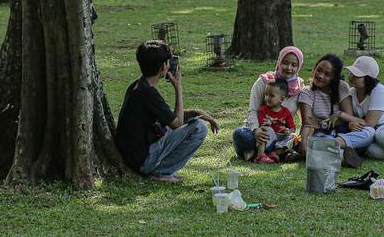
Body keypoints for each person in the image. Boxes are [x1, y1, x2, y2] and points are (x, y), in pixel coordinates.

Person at [115, 40, 218, 183]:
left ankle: (160, 169)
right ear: (164, 66)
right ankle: (161, 172)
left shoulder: (138, 85)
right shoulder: (148, 93)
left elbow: (168, 115)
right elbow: (177, 123)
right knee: (199, 128)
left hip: (135, 155)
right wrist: (178, 88)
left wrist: (197, 112)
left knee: (197, 121)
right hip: (143, 161)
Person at [295, 53, 374, 164]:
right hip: (320, 135)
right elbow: (308, 123)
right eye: (319, 70)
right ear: (314, 68)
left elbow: (349, 117)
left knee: (369, 132)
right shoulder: (307, 93)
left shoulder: (341, 87)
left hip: (342, 135)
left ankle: (332, 152)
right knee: (315, 141)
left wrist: (337, 115)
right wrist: (303, 144)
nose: (320, 76)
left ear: (334, 77)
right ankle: (342, 156)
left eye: (327, 74)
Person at [232, 46, 303, 161]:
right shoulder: (264, 82)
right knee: (239, 134)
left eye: (293, 65)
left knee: (299, 140)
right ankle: (271, 154)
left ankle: (256, 153)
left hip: (279, 138)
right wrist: (256, 130)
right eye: (285, 63)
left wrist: (290, 133)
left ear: (298, 67)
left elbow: (302, 120)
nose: (288, 68)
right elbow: (253, 110)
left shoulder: (300, 89)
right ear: (279, 62)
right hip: (258, 134)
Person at [251, 79, 297, 163]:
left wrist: (287, 131)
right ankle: (260, 156)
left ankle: (275, 154)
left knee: (294, 137)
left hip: (280, 138)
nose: (267, 98)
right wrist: (267, 123)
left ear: (281, 99)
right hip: (269, 137)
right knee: (266, 129)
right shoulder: (263, 110)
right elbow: (261, 125)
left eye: (271, 96)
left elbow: (292, 128)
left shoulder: (286, 112)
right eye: (266, 94)